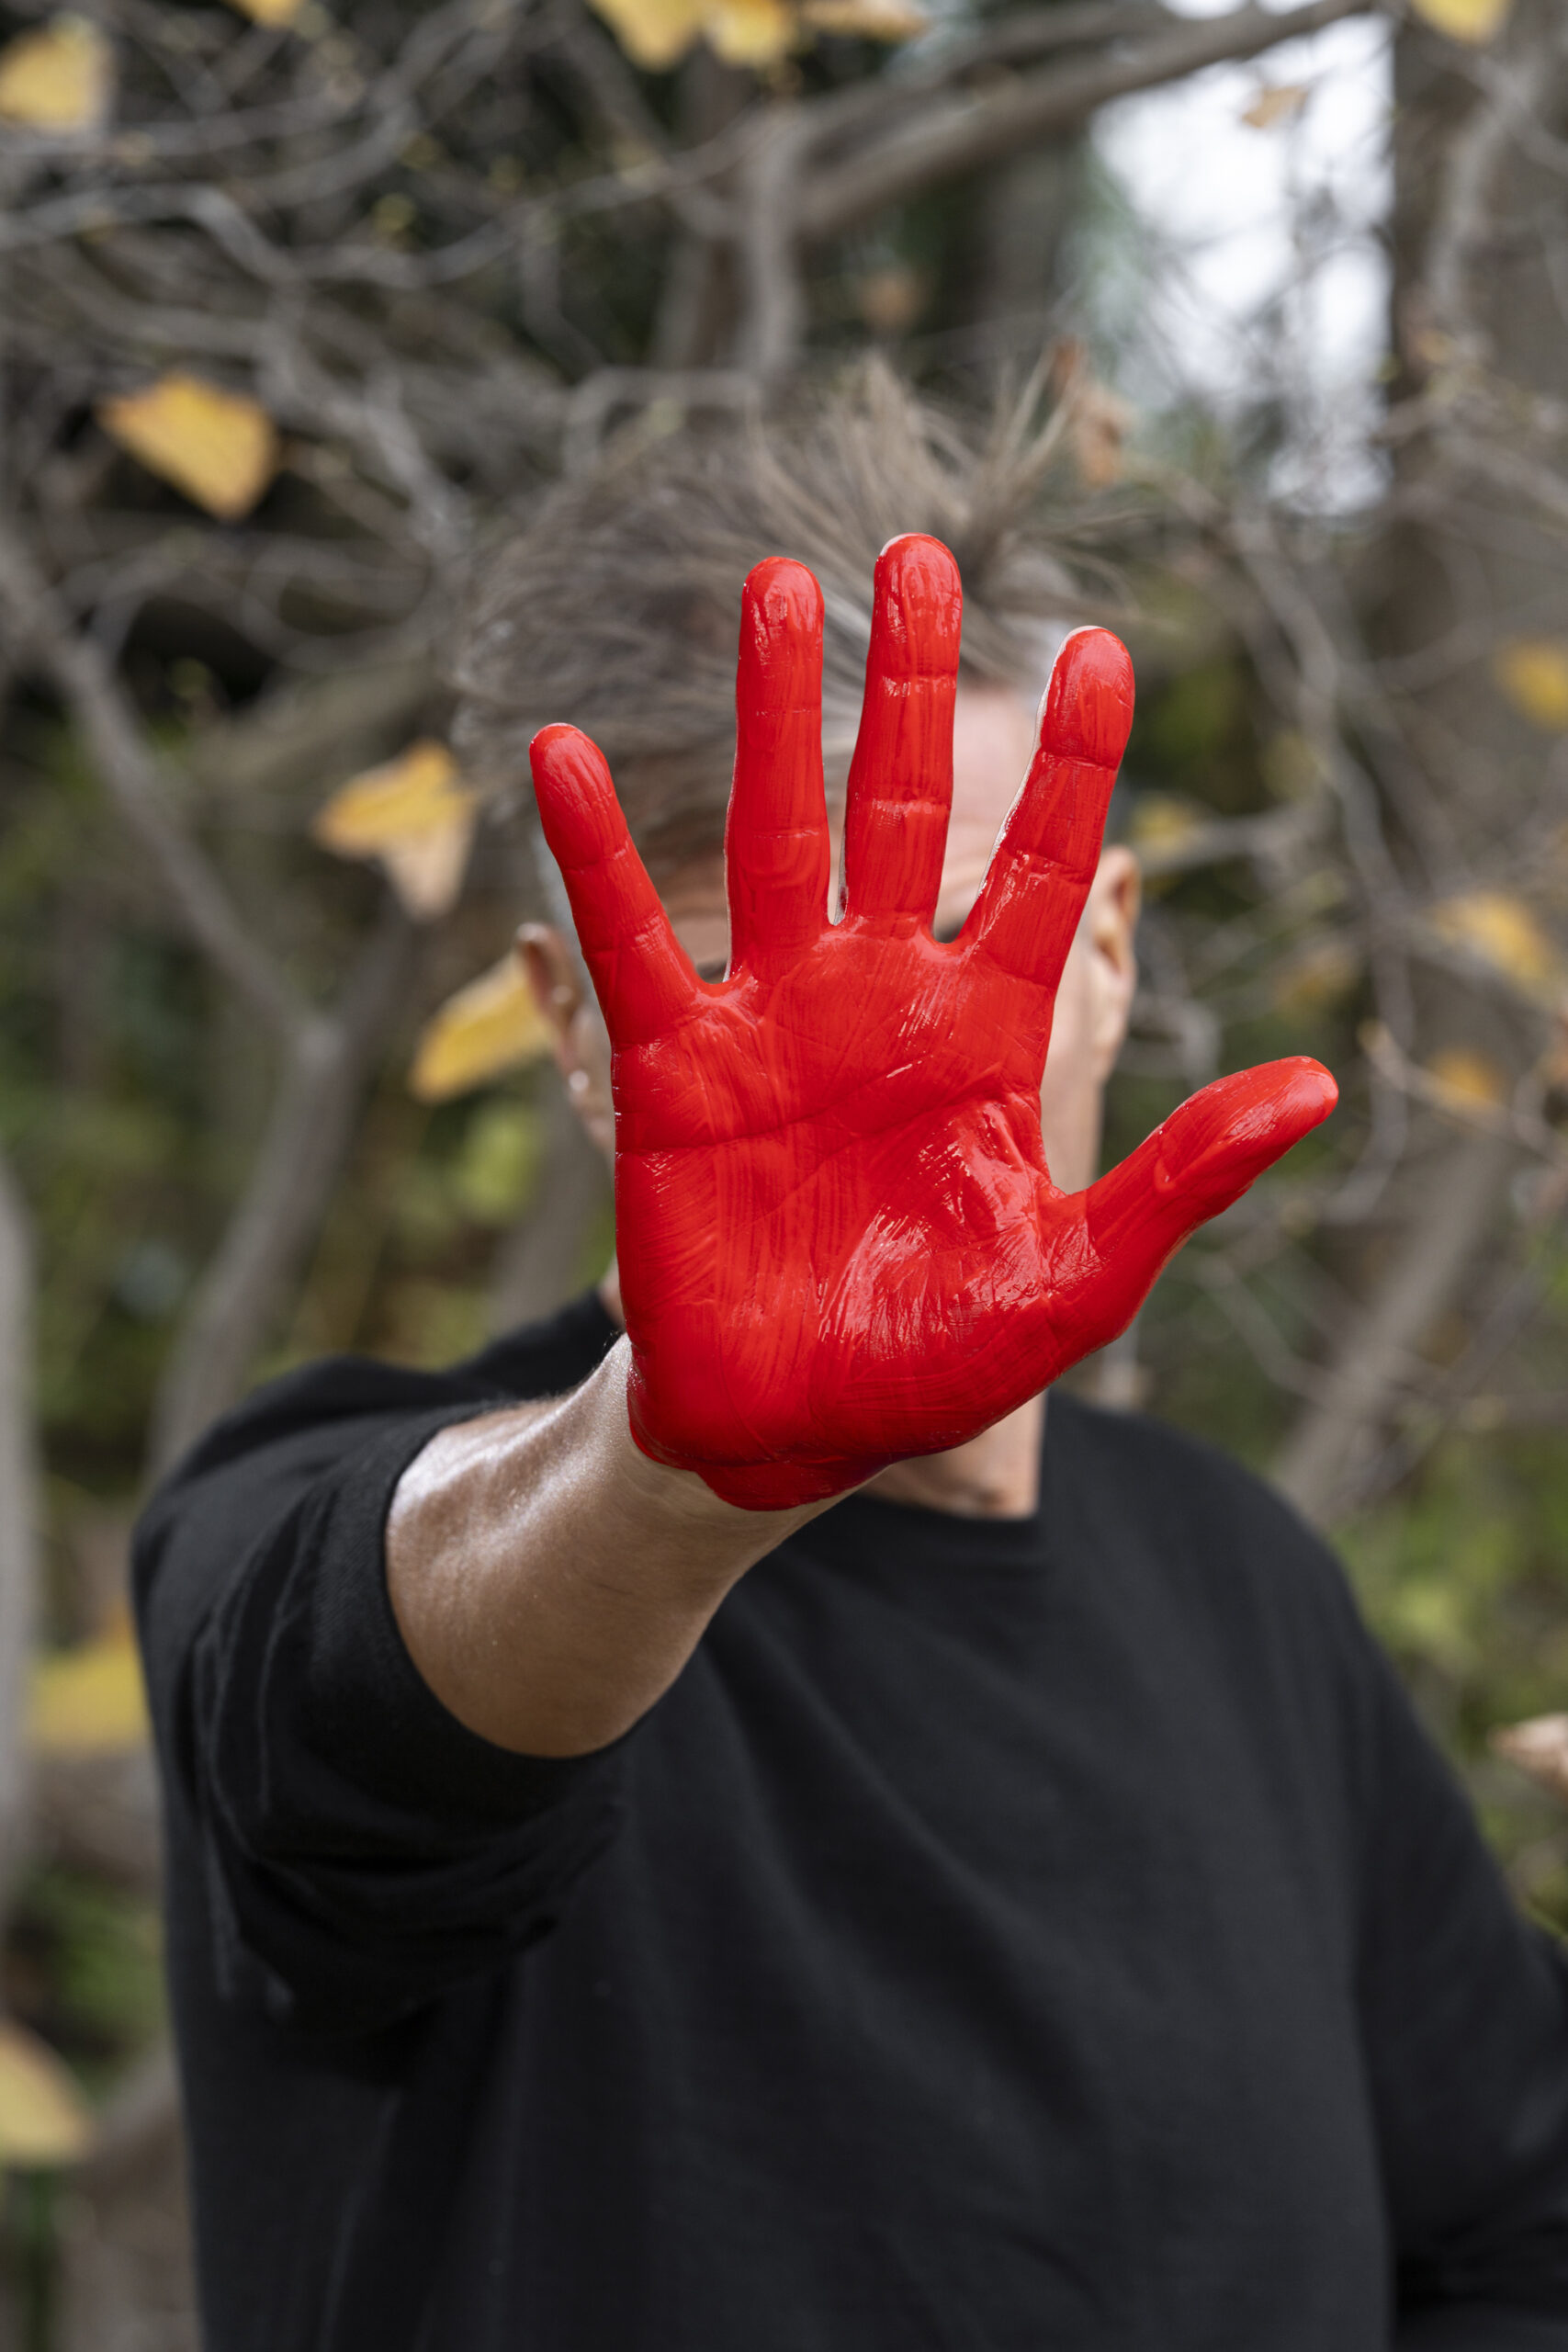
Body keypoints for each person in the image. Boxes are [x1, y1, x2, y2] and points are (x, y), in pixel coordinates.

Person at [135, 372, 1568, 2351]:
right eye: (750, 978)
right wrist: (669, 1473)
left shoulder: (1242, 1593)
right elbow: (347, 1740)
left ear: (1114, 946)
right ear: (568, 1021)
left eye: (972, 943)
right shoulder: (351, 1517)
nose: (891, 1089)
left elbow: (1514, 2228)